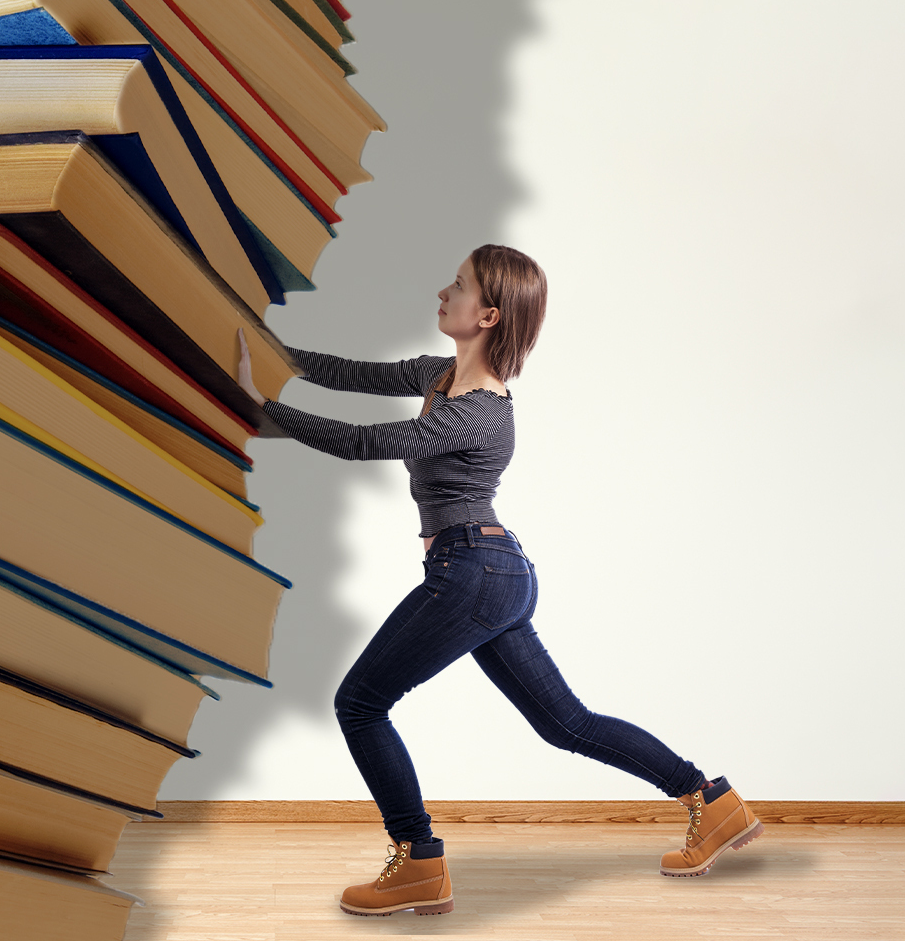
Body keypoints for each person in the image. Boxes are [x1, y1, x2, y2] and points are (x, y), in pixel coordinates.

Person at [234, 244, 761, 917]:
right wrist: (261, 344)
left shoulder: (481, 411)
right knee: (566, 723)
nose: (441, 293)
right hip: (489, 570)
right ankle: (711, 802)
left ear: (487, 313)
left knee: (360, 704)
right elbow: (344, 372)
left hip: (473, 572)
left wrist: (259, 408)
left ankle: (418, 860)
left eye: (457, 286)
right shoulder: (440, 376)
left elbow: (365, 443)